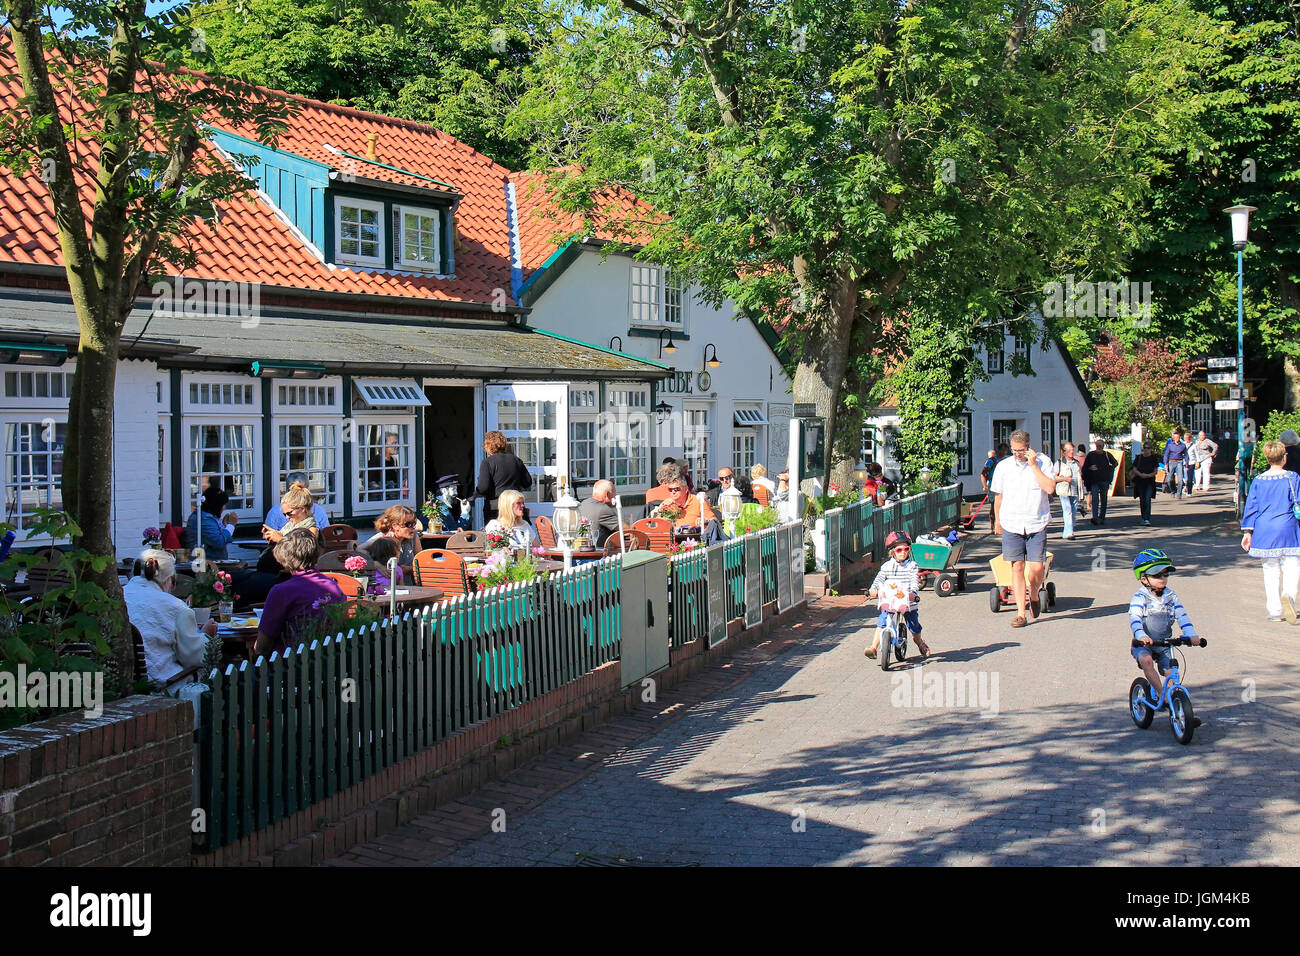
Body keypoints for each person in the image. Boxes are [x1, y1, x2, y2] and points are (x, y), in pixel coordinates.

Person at [1129, 549, 1204, 726]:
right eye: (1157, 575)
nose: (1162, 578)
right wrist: (1141, 635)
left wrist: (1191, 635)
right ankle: (1160, 693)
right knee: (1146, 661)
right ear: (1143, 578)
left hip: (1165, 644)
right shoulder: (1139, 597)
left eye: (1165, 574)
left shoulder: (1171, 596)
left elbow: (1182, 616)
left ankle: (1181, 710)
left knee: (1172, 673)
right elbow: (1135, 619)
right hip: (1144, 643)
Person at [991, 429, 1055, 627]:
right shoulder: (1003, 467)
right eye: (1014, 450)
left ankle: (1034, 593)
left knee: (1036, 568)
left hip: (1036, 522)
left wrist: (1033, 464)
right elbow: (998, 497)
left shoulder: (1044, 462)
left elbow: (1050, 488)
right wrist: (998, 521)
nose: (1017, 454)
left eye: (1021, 450)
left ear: (1028, 447)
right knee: (1016, 567)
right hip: (1012, 523)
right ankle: (1021, 613)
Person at [123, 549, 217, 686]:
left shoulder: (116, 597)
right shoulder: (175, 607)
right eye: (173, 581)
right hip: (163, 684)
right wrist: (205, 636)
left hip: (119, 682)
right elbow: (195, 657)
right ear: (168, 579)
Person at [255, 530, 345, 657]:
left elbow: (262, 646)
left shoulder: (282, 591)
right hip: (328, 660)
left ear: (284, 558)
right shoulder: (333, 586)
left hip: (288, 665)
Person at [1240, 440, 1300, 623]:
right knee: (1291, 566)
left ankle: (1274, 611)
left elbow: (1252, 506)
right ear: (1284, 457)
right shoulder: (1293, 477)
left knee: (1270, 570)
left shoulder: (1258, 480)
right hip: (1288, 526)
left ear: (1267, 458)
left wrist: (1247, 532)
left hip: (1264, 529)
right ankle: (1288, 595)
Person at [864, 531, 929, 659]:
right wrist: (873, 590)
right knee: (882, 621)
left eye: (906, 549)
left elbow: (914, 582)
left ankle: (920, 642)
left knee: (914, 625)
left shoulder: (912, 566)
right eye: (899, 550)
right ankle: (873, 648)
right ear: (893, 551)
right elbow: (879, 580)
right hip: (891, 601)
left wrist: (913, 594)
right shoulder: (887, 566)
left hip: (907, 601)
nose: (903, 552)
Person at [476, 430, 532, 522]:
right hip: (515, 505)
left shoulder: (487, 462)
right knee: (517, 533)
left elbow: (483, 487)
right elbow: (527, 482)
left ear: (488, 445)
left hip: (496, 507)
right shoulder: (516, 460)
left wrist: (475, 494)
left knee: (497, 535)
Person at [649, 471, 721, 543]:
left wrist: (704, 520)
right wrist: (661, 508)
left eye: (677, 489)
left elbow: (714, 522)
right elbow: (655, 525)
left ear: (686, 489)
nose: (673, 492)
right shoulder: (667, 504)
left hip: (695, 541)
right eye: (670, 490)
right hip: (672, 542)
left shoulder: (698, 501)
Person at [263, 471, 329, 533]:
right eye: (285, 514)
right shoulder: (319, 510)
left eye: (289, 513)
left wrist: (279, 539)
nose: (287, 517)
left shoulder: (275, 511)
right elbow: (327, 534)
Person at [184, 485, 238, 560]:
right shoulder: (204, 519)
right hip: (206, 565)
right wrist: (231, 525)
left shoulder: (205, 517)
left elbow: (214, 535)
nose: (224, 507)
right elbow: (219, 542)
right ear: (216, 505)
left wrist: (224, 525)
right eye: (223, 504)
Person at [578, 479, 622, 547]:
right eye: (614, 492)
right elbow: (626, 530)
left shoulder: (583, 503)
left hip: (580, 549)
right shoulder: (604, 509)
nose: (615, 496)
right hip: (599, 552)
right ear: (607, 494)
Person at [1054, 441, 1083, 540]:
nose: (1071, 452)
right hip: (1064, 491)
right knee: (1068, 511)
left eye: (1072, 450)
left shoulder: (1076, 463)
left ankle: (1067, 532)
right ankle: (1070, 533)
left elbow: (1080, 477)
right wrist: (1065, 479)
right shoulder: (1059, 463)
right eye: (1069, 450)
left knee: (1073, 512)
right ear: (1064, 451)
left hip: (1075, 491)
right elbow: (1053, 477)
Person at [1083, 439, 1115, 525]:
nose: (1099, 448)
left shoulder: (1107, 455)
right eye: (1098, 446)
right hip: (1094, 480)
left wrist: (1109, 468)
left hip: (1105, 480)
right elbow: (1085, 467)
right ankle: (1095, 518)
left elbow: (1115, 463)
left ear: (1103, 446)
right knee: (1095, 499)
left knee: (1104, 500)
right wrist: (1090, 468)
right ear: (1095, 446)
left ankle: (1102, 517)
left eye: (1100, 446)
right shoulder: (1091, 455)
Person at [1130, 441, 1162, 526]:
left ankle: (1146, 518)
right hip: (1140, 481)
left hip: (1149, 482)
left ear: (1151, 449)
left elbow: (1155, 471)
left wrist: (1148, 475)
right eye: (1145, 448)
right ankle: (1143, 517)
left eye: (1148, 448)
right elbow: (1134, 469)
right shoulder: (1139, 457)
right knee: (1142, 500)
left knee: (1147, 499)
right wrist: (1140, 475)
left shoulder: (1153, 458)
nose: (1146, 450)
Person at [1163, 429, 1188, 498]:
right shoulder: (1170, 445)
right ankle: (1173, 490)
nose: (1177, 439)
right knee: (1169, 479)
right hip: (1171, 462)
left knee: (1180, 479)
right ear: (1173, 438)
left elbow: (1186, 455)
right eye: (1175, 437)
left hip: (1179, 462)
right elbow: (1166, 455)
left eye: (1178, 437)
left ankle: (1179, 494)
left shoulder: (1183, 446)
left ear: (1180, 438)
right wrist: (1165, 463)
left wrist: (1187, 465)